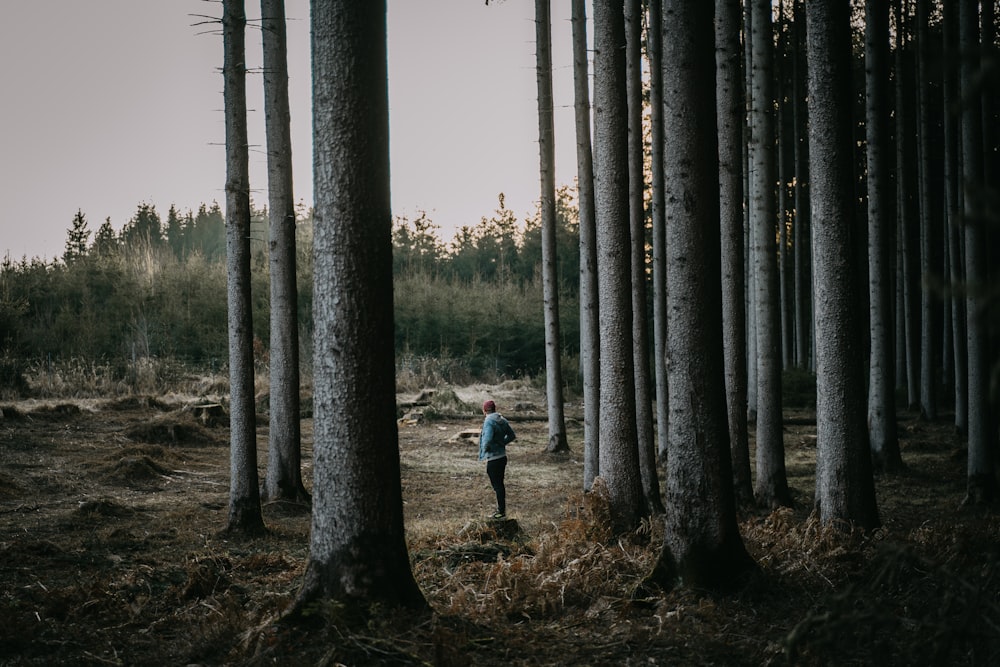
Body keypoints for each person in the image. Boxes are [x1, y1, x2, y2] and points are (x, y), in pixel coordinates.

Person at [478, 399, 516, 519]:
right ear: (494, 408)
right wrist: (502, 443)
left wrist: (485, 449)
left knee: (497, 486)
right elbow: (512, 435)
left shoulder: (489, 421)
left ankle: (500, 512)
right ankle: (501, 510)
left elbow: (488, 439)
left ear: (484, 410)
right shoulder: (502, 420)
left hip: (493, 458)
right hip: (502, 457)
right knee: (500, 485)